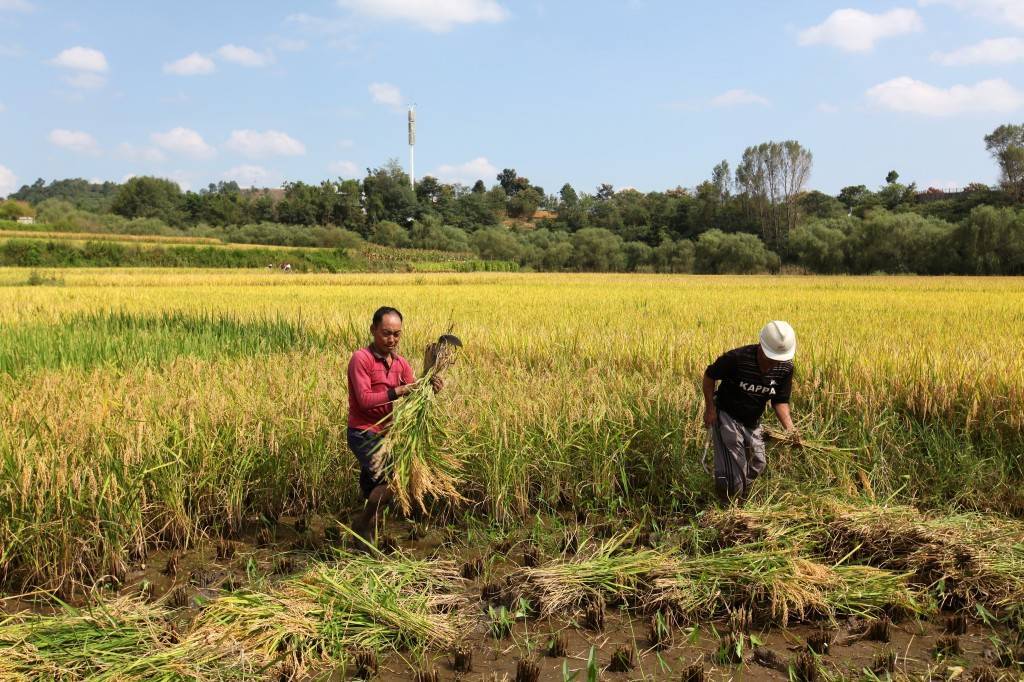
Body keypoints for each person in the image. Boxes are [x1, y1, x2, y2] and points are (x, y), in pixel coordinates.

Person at [347, 306, 442, 542]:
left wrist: (431, 385)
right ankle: (361, 525)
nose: (392, 339)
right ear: (373, 330)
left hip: (386, 434)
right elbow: (365, 399)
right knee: (390, 482)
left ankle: (365, 536)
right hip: (363, 432)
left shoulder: (400, 363)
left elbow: (414, 390)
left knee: (376, 489)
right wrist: (399, 390)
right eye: (386, 333)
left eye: (397, 334)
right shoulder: (361, 359)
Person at [702, 321, 798, 505]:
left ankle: (741, 500)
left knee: (758, 462)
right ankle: (728, 505)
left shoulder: (785, 367)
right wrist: (710, 409)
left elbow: (780, 401)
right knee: (734, 468)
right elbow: (709, 375)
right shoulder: (737, 358)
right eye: (771, 358)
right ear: (761, 346)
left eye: (778, 359)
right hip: (727, 415)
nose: (773, 364)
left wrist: (791, 430)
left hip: (752, 420)